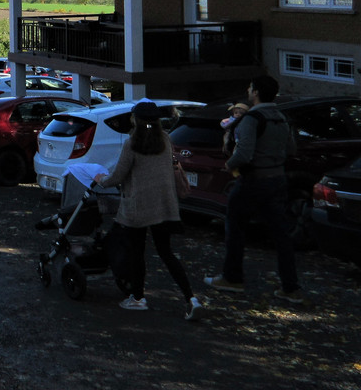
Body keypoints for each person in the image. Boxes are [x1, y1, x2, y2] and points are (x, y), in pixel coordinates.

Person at [95, 100, 202, 320]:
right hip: (163, 206)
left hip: (138, 208)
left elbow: (118, 175)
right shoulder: (165, 139)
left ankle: (137, 298)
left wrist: (101, 179)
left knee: (137, 253)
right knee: (167, 253)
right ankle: (191, 298)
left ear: (136, 119)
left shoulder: (132, 143)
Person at [205, 76, 301, 303]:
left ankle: (232, 277)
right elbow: (292, 149)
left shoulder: (252, 118)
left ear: (255, 92)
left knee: (235, 226)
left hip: (253, 181)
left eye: (250, 87)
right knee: (281, 235)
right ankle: (291, 287)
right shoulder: (281, 117)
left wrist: (229, 164)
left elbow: (245, 152)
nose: (248, 90)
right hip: (277, 179)